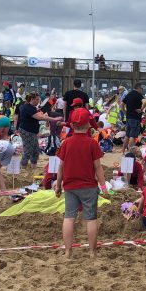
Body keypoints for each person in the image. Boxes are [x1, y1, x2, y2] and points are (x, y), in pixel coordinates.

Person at [54, 107, 106, 259]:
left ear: (72, 125)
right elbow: (98, 168)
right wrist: (103, 187)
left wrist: (58, 186)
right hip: (89, 186)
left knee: (69, 217)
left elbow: (61, 168)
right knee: (90, 218)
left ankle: (68, 251)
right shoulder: (92, 144)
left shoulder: (66, 143)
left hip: (70, 186)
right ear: (89, 125)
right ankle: (92, 252)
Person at [17, 92, 56, 168]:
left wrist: (51, 100)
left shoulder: (31, 107)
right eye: (37, 99)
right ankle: (23, 167)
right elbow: (40, 117)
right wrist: (54, 119)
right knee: (28, 150)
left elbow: (40, 113)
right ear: (32, 99)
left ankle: (33, 166)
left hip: (32, 131)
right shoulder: (28, 108)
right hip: (27, 131)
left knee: (35, 150)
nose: (38, 101)